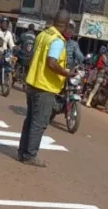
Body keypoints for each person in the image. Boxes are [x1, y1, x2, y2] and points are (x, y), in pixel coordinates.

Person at [17, 10, 73, 168]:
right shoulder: (57, 40)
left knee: (30, 120)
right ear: (67, 24)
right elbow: (52, 63)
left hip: (33, 83)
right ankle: (30, 155)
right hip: (45, 86)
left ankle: (23, 151)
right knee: (39, 122)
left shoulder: (43, 34)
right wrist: (66, 73)